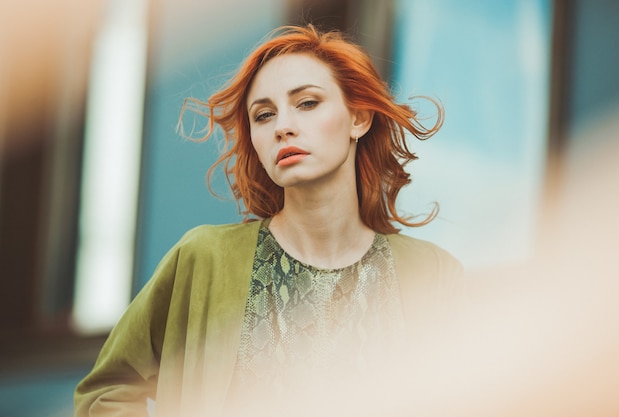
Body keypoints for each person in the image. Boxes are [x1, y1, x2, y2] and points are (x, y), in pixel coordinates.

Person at [74, 24, 462, 417]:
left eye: (307, 103)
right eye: (263, 115)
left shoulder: (433, 275)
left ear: (359, 118)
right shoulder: (204, 259)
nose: (282, 127)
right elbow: (107, 392)